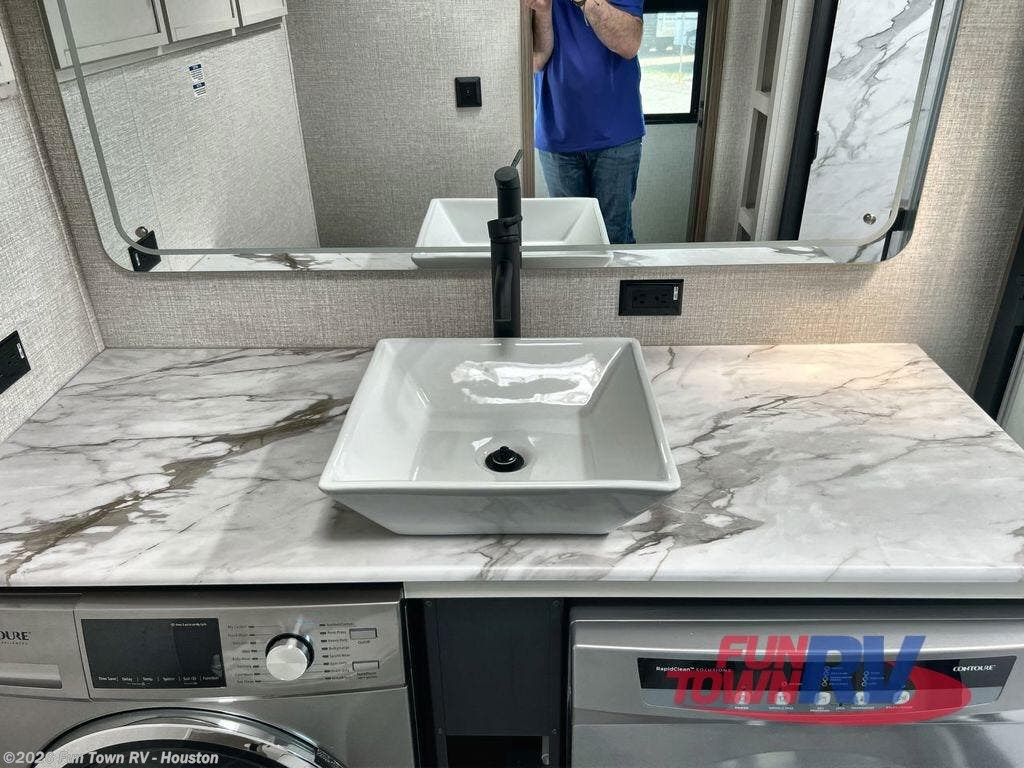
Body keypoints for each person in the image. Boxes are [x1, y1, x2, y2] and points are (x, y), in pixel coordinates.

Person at [527, 0, 645, 244]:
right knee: (570, 240)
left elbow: (629, 44)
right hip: (558, 131)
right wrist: (543, 10)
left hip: (618, 134)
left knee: (614, 238)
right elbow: (537, 60)